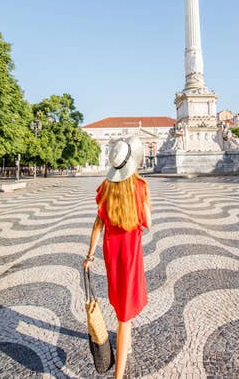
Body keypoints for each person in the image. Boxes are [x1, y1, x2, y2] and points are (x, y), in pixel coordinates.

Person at [83, 135, 151, 379]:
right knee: (125, 318)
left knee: (120, 301)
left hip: (112, 253)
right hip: (130, 254)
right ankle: (118, 375)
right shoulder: (140, 186)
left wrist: (90, 255)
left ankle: (126, 339)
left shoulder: (105, 188)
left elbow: (97, 224)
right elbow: (148, 223)